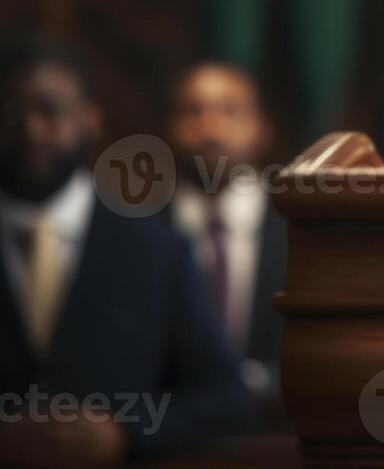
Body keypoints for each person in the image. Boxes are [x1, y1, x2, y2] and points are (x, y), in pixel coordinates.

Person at [0, 42, 251, 465]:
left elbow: (225, 396)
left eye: (51, 111)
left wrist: (125, 433)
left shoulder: (157, 251)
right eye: (9, 113)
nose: (32, 130)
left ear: (88, 119)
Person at [163, 61, 286, 413]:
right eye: (193, 112)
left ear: (263, 127)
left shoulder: (302, 232)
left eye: (230, 112)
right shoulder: (139, 235)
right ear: (169, 126)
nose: (211, 129)